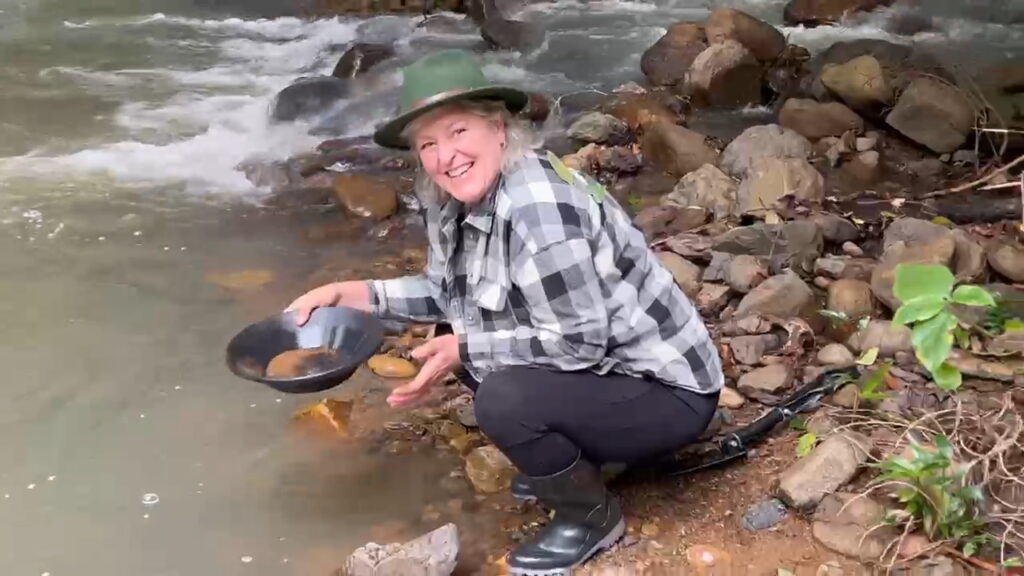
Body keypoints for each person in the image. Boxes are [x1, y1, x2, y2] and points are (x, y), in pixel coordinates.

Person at [286, 49, 724, 575]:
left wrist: (463, 349)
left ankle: (591, 519)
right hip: (609, 374)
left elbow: (581, 341)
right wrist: (352, 293)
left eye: (458, 132)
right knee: (474, 340)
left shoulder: (539, 207)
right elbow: (447, 291)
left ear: (498, 128)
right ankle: (579, 460)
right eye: (427, 144)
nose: (445, 156)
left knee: (501, 393)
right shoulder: (450, 198)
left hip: (668, 392)